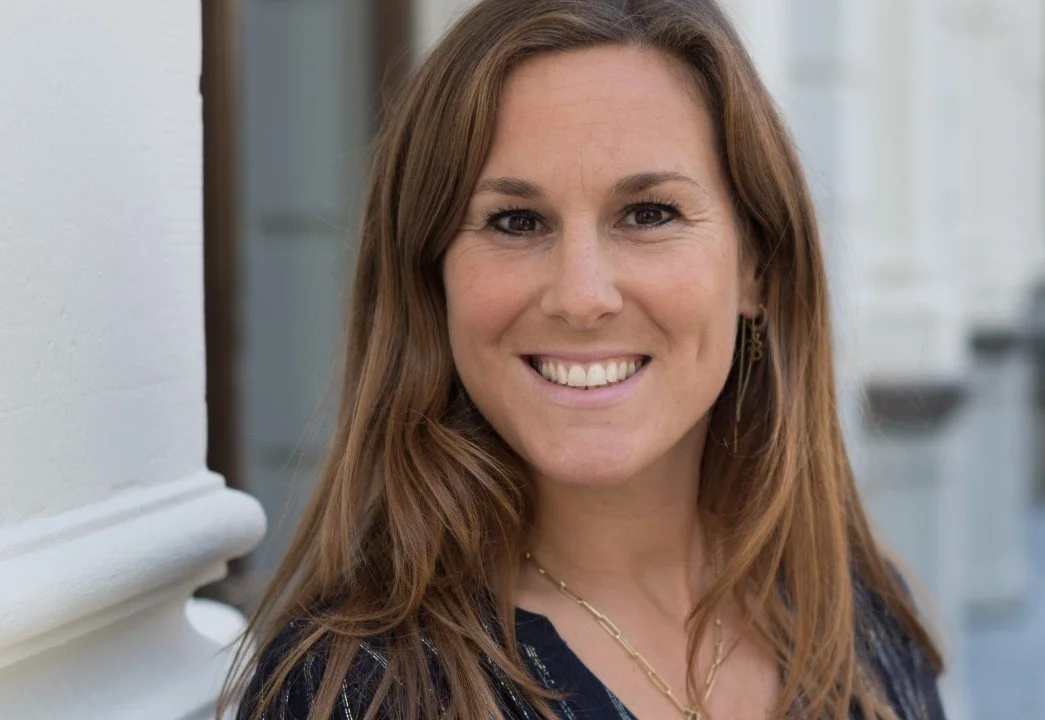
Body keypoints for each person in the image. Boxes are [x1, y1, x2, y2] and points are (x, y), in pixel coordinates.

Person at [221, 1, 947, 718]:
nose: (580, 296)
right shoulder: (356, 691)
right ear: (431, 280)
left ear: (755, 266)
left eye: (648, 214)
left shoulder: (859, 618)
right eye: (515, 221)